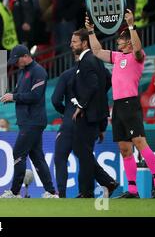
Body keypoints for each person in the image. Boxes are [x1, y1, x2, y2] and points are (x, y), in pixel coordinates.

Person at [87, 9, 155, 198]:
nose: (118, 43)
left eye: (121, 40)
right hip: (117, 106)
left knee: (139, 142)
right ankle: (132, 190)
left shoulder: (137, 57)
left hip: (131, 105)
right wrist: (91, 32)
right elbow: (97, 51)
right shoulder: (117, 57)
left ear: (129, 41)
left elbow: (138, 48)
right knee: (125, 149)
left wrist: (131, 25)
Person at [52, 53, 119, 198]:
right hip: (92, 121)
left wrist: (66, 113)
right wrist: (101, 128)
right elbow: (102, 100)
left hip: (72, 121)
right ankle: (107, 182)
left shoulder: (67, 75)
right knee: (85, 156)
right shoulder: (100, 80)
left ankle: (62, 194)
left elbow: (55, 100)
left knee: (61, 156)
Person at [0, 45, 57, 198]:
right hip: (28, 120)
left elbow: (35, 96)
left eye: (17, 60)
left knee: (18, 152)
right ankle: (50, 192)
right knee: (37, 157)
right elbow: (20, 93)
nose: (16, 63)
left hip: (33, 120)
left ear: (25, 56)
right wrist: (10, 96)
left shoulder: (39, 71)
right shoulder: (24, 71)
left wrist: (14, 97)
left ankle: (15, 192)